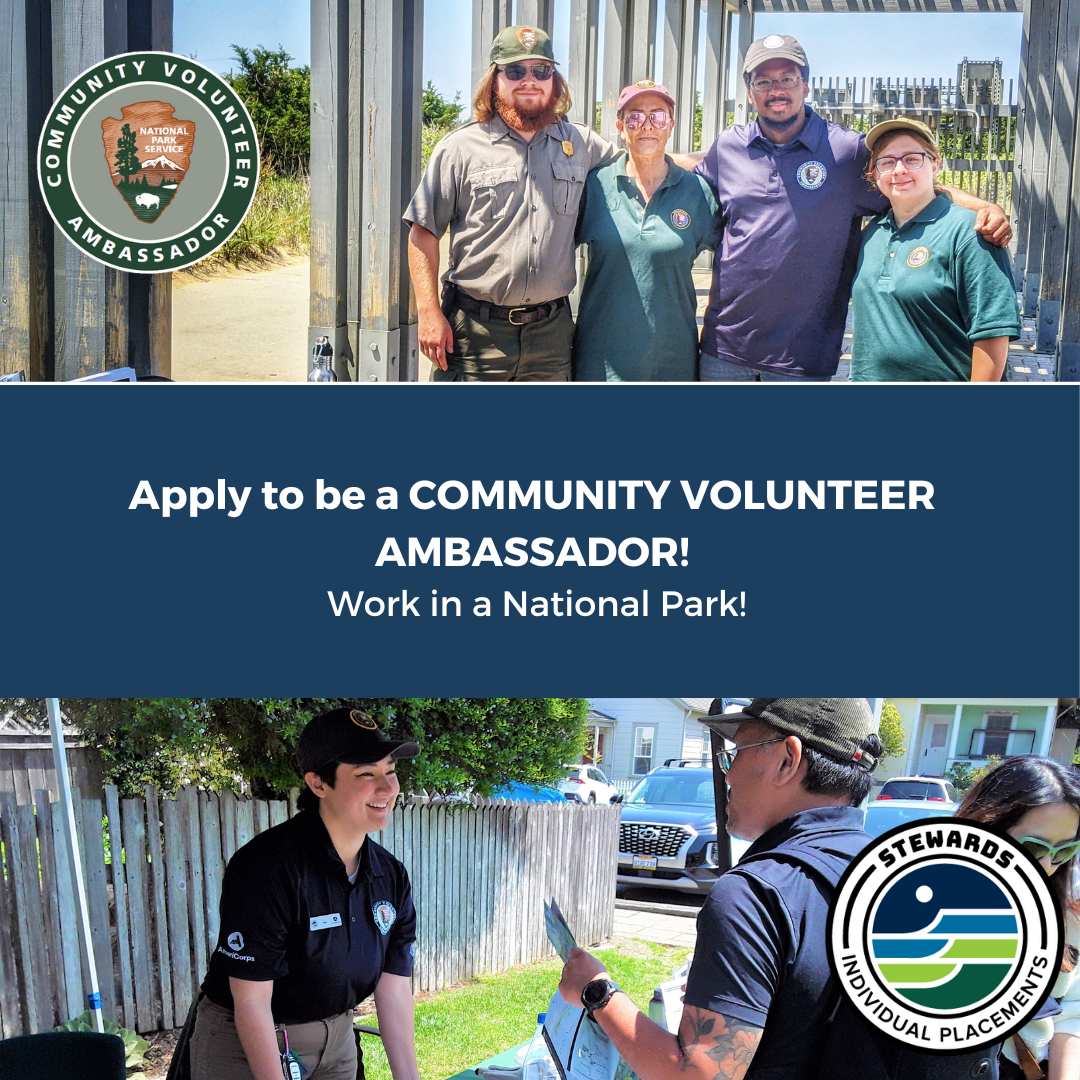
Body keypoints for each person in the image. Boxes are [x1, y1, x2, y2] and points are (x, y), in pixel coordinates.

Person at [558, 697, 882, 1079]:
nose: (727, 775)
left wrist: (597, 992)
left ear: (787, 760)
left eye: (736, 755)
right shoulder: (888, 875)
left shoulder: (754, 897)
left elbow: (698, 1075)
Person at [690, 34, 1013, 381]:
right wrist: (643, 157)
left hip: (802, 360)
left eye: (788, 78)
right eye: (763, 81)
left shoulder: (844, 151)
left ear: (806, 86)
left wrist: (986, 206)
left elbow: (907, 180)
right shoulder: (729, 147)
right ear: (750, 91)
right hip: (723, 352)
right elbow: (688, 175)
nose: (777, 90)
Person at [189, 708, 422, 1080]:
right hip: (245, 1046)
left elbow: (393, 990)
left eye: (390, 771)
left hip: (338, 1043)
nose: (388, 788)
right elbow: (251, 1001)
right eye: (366, 774)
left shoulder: (390, 875)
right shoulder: (267, 867)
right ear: (317, 784)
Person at [403, 25, 616, 381]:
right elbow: (423, 233)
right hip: (474, 336)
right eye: (515, 71)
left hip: (551, 337)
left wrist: (715, 162)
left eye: (541, 70)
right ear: (495, 80)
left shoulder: (580, 143)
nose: (529, 80)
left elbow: (642, 165)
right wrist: (428, 312)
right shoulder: (459, 148)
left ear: (555, 80)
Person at [849, 118, 1021, 381]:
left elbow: (993, 332)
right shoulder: (872, 233)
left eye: (912, 159)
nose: (899, 170)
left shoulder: (971, 232)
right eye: (886, 161)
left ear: (935, 164)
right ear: (874, 174)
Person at [573, 81, 720, 381]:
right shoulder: (595, 186)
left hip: (673, 359)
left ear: (671, 125)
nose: (648, 126)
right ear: (620, 127)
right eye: (636, 117)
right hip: (601, 361)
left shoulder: (697, 192)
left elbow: (733, 263)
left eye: (658, 116)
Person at [954, 757, 1080, 1080]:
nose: (1049, 864)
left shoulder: (1068, 908)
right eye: (1034, 848)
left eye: (1065, 850)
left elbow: (1070, 1012)